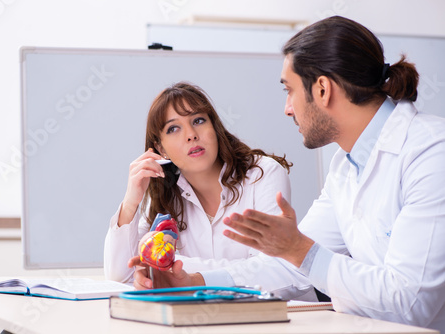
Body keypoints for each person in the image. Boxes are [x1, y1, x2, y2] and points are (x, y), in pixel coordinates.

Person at [130, 17, 445, 332]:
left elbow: (413, 303)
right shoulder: (344, 165)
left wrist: (297, 249)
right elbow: (290, 268)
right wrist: (193, 282)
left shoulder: (430, 152)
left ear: (322, 89)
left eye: (289, 90)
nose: (287, 108)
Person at [104, 81, 317, 301]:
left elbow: (275, 270)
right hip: (210, 321)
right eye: (173, 128)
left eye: (198, 120)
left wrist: (176, 268)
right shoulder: (162, 192)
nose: (191, 135)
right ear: (160, 149)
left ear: (214, 128)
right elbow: (119, 276)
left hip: (290, 318)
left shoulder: (262, 174)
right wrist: (131, 202)